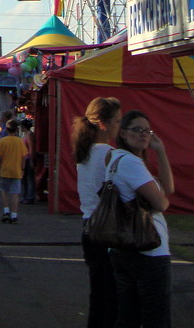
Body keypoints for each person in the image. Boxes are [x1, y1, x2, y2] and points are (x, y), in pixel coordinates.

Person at [107, 109, 174, 328]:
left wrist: (160, 150)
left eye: (147, 130)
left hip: (122, 244)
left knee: (129, 314)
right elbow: (161, 202)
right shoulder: (130, 163)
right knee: (156, 316)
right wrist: (159, 197)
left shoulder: (115, 158)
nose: (144, 135)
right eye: (137, 130)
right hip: (147, 246)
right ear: (124, 134)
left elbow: (169, 188)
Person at [74, 96, 122, 328]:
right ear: (103, 124)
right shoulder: (109, 154)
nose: (119, 127)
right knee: (113, 295)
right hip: (108, 229)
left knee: (99, 292)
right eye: (117, 121)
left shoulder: (85, 152)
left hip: (89, 225)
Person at [0, 119, 28, 223]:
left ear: (7, 129)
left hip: (5, 169)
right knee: (15, 193)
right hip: (16, 170)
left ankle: (6, 211)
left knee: (4, 191)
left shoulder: (3, 141)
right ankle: (14, 215)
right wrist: (22, 169)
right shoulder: (19, 141)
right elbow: (24, 157)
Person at [19, 119, 36, 204]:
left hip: (28, 159)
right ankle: (25, 195)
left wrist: (32, 160)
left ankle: (30, 196)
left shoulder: (29, 134)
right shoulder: (24, 135)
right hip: (24, 159)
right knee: (23, 179)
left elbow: (31, 148)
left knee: (29, 178)